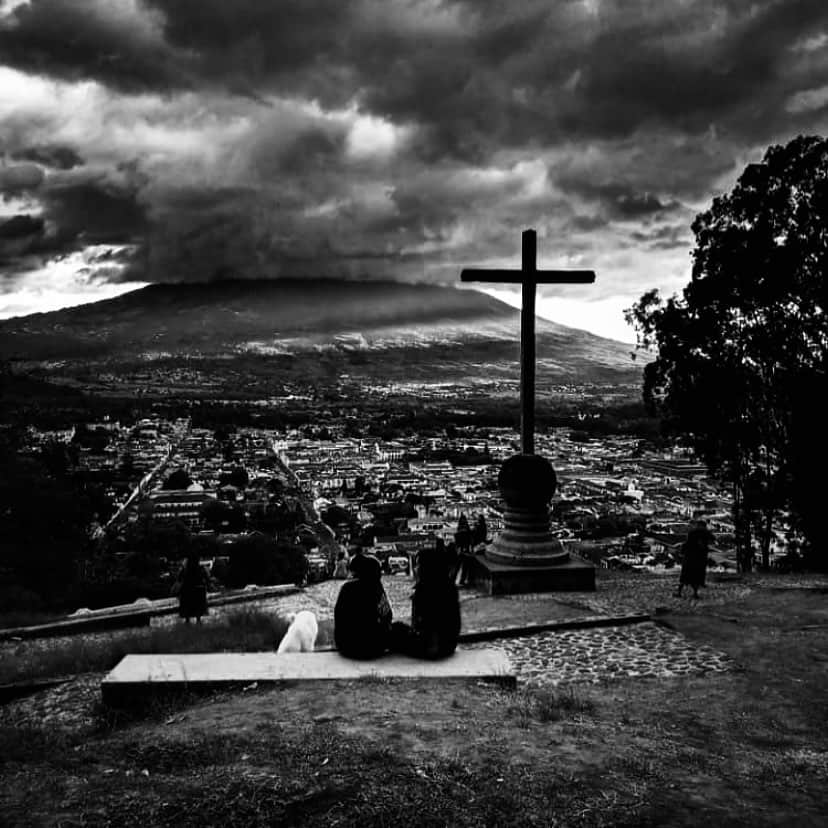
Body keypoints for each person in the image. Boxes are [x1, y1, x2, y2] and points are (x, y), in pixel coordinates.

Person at [391, 543, 461, 659]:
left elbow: (426, 625)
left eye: (418, 565)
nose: (415, 569)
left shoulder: (425, 591)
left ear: (426, 568)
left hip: (432, 648)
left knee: (395, 630)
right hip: (449, 646)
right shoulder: (449, 586)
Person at [334, 552, 393, 659]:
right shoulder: (376, 587)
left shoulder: (346, 588)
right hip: (372, 648)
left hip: (346, 647)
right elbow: (387, 615)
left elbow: (338, 618)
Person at [675, 520, 713, 599]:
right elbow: (712, 539)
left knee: (685, 576)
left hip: (690, 557)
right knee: (697, 576)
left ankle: (679, 592)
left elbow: (687, 543)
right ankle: (695, 593)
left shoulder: (692, 532)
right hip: (700, 557)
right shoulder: (706, 533)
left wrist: (682, 551)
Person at [177, 553, 209, 623]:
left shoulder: (185, 569)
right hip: (199, 592)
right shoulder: (201, 569)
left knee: (186, 597)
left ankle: (187, 619)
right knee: (198, 596)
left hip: (187, 592)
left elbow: (179, 579)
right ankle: (198, 619)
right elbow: (207, 578)